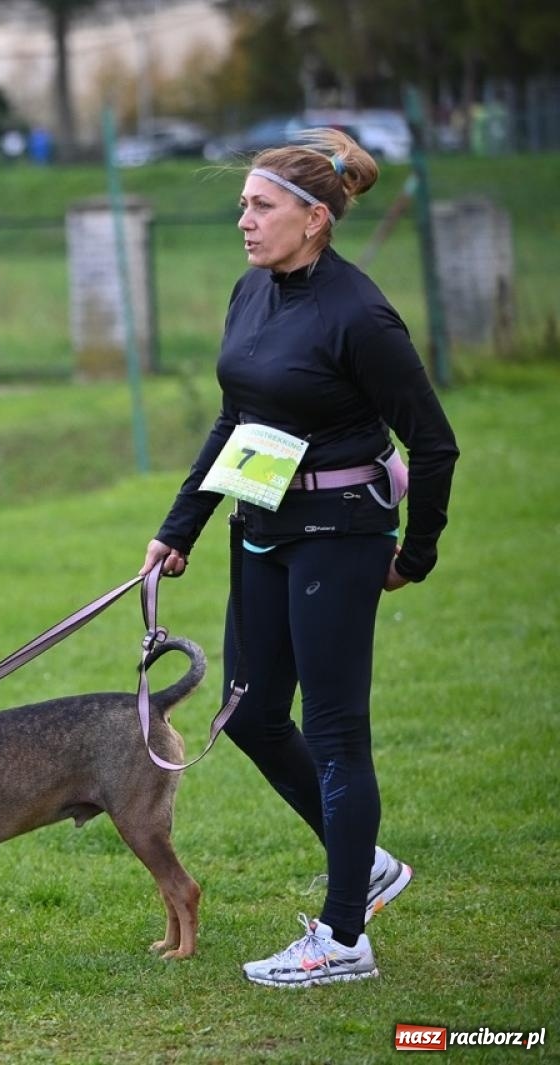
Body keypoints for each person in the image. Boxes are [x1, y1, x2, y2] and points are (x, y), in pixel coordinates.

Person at [138, 129, 458, 988]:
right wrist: (182, 526)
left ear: (315, 220)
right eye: (243, 204)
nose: (243, 220)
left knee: (336, 731)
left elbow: (434, 445)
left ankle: (345, 937)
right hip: (263, 526)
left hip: (343, 534)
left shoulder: (359, 313)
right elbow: (234, 420)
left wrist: (411, 554)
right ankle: (370, 864)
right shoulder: (252, 293)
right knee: (246, 713)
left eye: (260, 206)